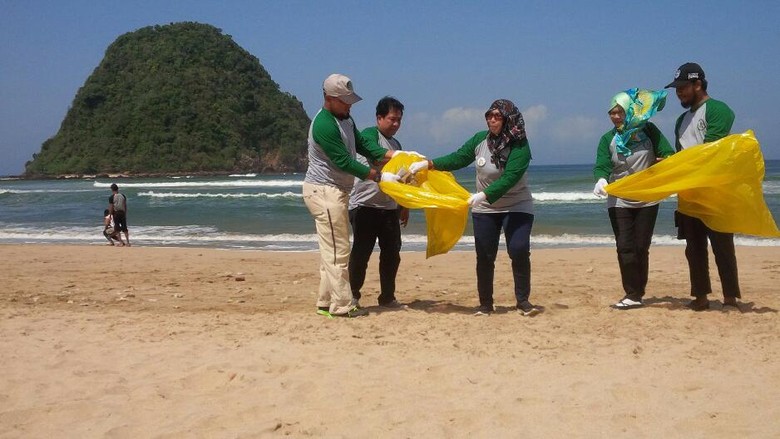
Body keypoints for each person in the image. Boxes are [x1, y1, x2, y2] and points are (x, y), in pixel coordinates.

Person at [408, 99, 539, 316]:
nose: (492, 119)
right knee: (485, 255)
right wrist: (429, 163)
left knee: (518, 249)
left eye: (497, 116)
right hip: (486, 208)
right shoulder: (481, 140)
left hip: (517, 204)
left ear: (509, 119)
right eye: (489, 115)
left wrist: (484, 194)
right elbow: (458, 158)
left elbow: (511, 177)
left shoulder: (520, 145)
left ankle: (523, 301)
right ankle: (485, 304)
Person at [302, 73, 404, 318]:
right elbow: (344, 161)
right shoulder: (325, 124)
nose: (348, 105)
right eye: (344, 101)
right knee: (339, 252)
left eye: (350, 101)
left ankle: (325, 302)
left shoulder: (346, 119)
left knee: (332, 250)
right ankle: (343, 305)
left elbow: (365, 146)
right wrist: (380, 177)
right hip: (324, 190)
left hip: (338, 191)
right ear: (329, 97)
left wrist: (398, 156)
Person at [665, 62, 740, 311]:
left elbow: (711, 150)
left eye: (683, 87)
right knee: (693, 248)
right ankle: (700, 296)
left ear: (698, 84)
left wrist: (681, 163)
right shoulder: (680, 120)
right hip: (689, 194)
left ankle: (730, 297)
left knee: (722, 246)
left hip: (715, 191)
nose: (679, 93)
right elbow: (681, 154)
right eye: (677, 88)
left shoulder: (718, 110)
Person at [593, 90, 674, 309]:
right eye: (612, 113)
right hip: (619, 200)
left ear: (630, 111)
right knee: (624, 246)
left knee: (641, 247)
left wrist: (662, 163)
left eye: (620, 112)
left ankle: (638, 291)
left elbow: (668, 153)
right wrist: (600, 179)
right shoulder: (607, 139)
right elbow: (602, 163)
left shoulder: (649, 130)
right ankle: (632, 293)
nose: (616, 117)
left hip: (647, 199)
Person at [349, 96, 409, 308]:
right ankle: (353, 296)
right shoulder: (369, 135)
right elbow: (376, 158)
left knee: (392, 255)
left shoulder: (396, 144)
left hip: (389, 208)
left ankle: (387, 297)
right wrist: (403, 156)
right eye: (392, 119)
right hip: (364, 206)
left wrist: (404, 206)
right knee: (361, 254)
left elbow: (402, 177)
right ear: (379, 118)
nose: (396, 124)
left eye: (399, 120)